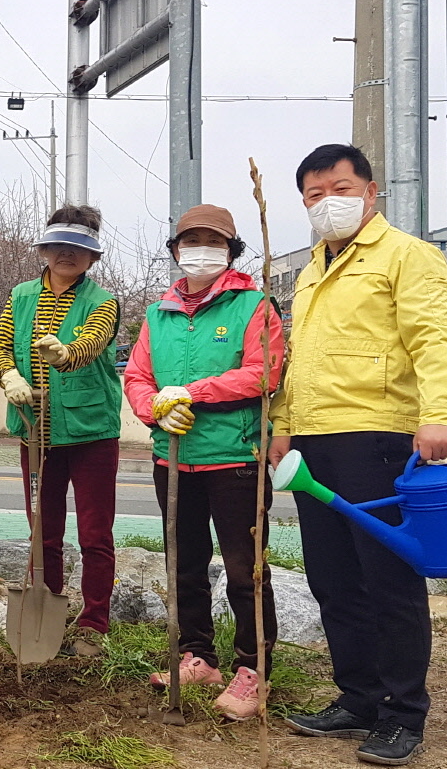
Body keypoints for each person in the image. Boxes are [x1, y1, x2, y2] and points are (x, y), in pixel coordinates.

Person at [269, 144, 447, 766]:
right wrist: (283, 425)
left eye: (341, 188)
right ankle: (359, 697)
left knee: (388, 579)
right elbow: (299, 363)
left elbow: (433, 340)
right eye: (315, 194)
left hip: (380, 437)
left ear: (371, 192)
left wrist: (437, 415)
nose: (329, 203)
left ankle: (404, 713)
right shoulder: (310, 271)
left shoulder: (408, 256)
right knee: (332, 577)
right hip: (315, 443)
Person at [123, 204, 284, 720]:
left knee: (245, 569)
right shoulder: (157, 313)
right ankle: (197, 655)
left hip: (236, 458)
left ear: (232, 251)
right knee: (184, 565)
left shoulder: (255, 306)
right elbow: (137, 376)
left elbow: (263, 374)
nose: (200, 251)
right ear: (175, 251)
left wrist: (189, 392)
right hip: (173, 459)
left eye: (213, 242)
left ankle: (252, 668)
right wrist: (155, 411)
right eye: (190, 242)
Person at [0, 205, 120, 658]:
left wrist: (65, 354)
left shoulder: (103, 302)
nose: (67, 255)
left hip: (91, 434)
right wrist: (8, 374)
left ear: (92, 258)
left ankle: (93, 623)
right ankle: (47, 611)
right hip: (35, 433)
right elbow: (0, 343)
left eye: (79, 248)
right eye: (59, 246)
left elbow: (92, 342)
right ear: (44, 250)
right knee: (43, 530)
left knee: (94, 533)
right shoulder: (21, 295)